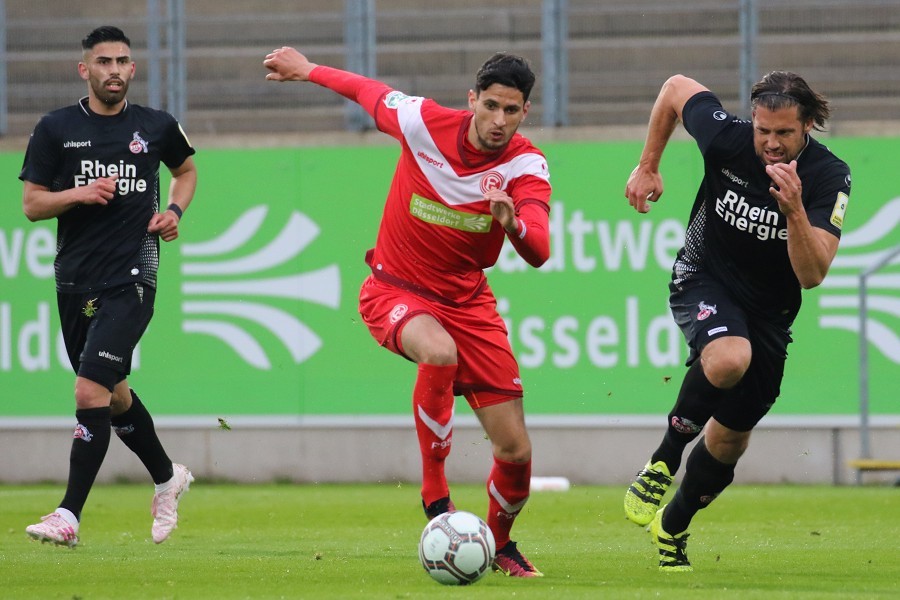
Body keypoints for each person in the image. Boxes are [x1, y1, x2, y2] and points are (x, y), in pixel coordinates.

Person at [264, 47, 551, 577]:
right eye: (490, 106)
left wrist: (512, 225)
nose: (498, 120)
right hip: (396, 289)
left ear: (525, 112)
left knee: (515, 452)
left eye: (512, 111)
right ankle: (436, 495)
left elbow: (540, 250)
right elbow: (366, 90)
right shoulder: (422, 121)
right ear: (472, 99)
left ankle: (502, 546)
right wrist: (307, 71)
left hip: (469, 303)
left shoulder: (525, 165)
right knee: (438, 352)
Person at [622, 71, 851, 571]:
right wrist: (648, 166)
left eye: (784, 133)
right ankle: (663, 460)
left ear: (808, 125)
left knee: (728, 442)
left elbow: (812, 275)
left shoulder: (829, 177)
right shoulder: (728, 137)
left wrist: (792, 209)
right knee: (729, 358)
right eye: (763, 130)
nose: (770, 143)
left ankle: (673, 526)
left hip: (770, 315)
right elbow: (675, 88)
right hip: (705, 277)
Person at [19, 25, 198, 547]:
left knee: (89, 389)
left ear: (132, 69)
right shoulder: (55, 129)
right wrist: (78, 193)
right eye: (103, 62)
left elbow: (186, 171)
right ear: (85, 70)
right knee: (113, 394)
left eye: (122, 61)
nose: (113, 70)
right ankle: (168, 478)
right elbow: (32, 204)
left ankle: (68, 515)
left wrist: (173, 210)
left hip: (133, 277)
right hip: (75, 280)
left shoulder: (157, 126)